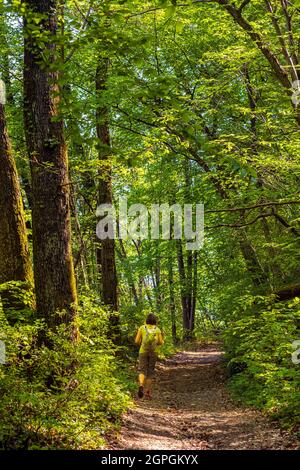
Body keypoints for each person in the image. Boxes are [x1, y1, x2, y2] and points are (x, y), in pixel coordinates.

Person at [135, 313, 164, 399]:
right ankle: (147, 392)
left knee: (142, 370)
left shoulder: (142, 328)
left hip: (143, 351)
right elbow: (160, 342)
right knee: (150, 372)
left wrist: (142, 343)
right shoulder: (157, 329)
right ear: (155, 321)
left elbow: (136, 341)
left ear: (147, 320)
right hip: (153, 352)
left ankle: (141, 385)